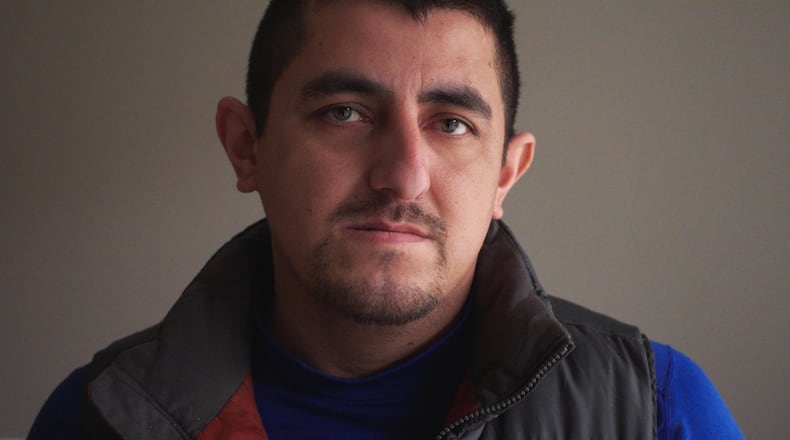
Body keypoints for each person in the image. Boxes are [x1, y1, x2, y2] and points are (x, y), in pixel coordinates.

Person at [29, 0, 744, 438]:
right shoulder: (97, 417)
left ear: (505, 173)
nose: (402, 174)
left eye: (452, 123)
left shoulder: (654, 412)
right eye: (345, 113)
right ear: (247, 147)